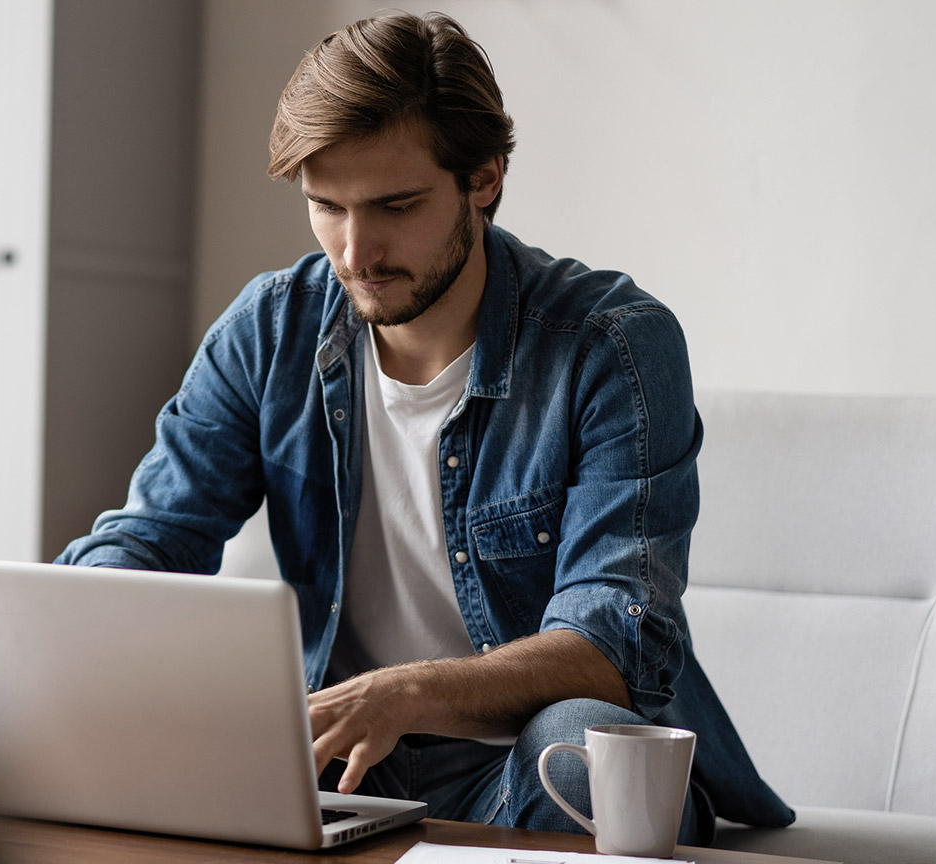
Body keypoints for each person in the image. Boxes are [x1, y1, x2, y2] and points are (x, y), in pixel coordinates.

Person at [56, 11, 793, 842]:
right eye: (325, 207)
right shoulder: (271, 331)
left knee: (578, 744)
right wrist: (64, 625)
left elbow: (614, 637)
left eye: (395, 206)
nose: (355, 252)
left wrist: (404, 692)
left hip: (517, 764)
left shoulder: (612, 346)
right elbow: (156, 535)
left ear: (484, 179)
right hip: (331, 766)